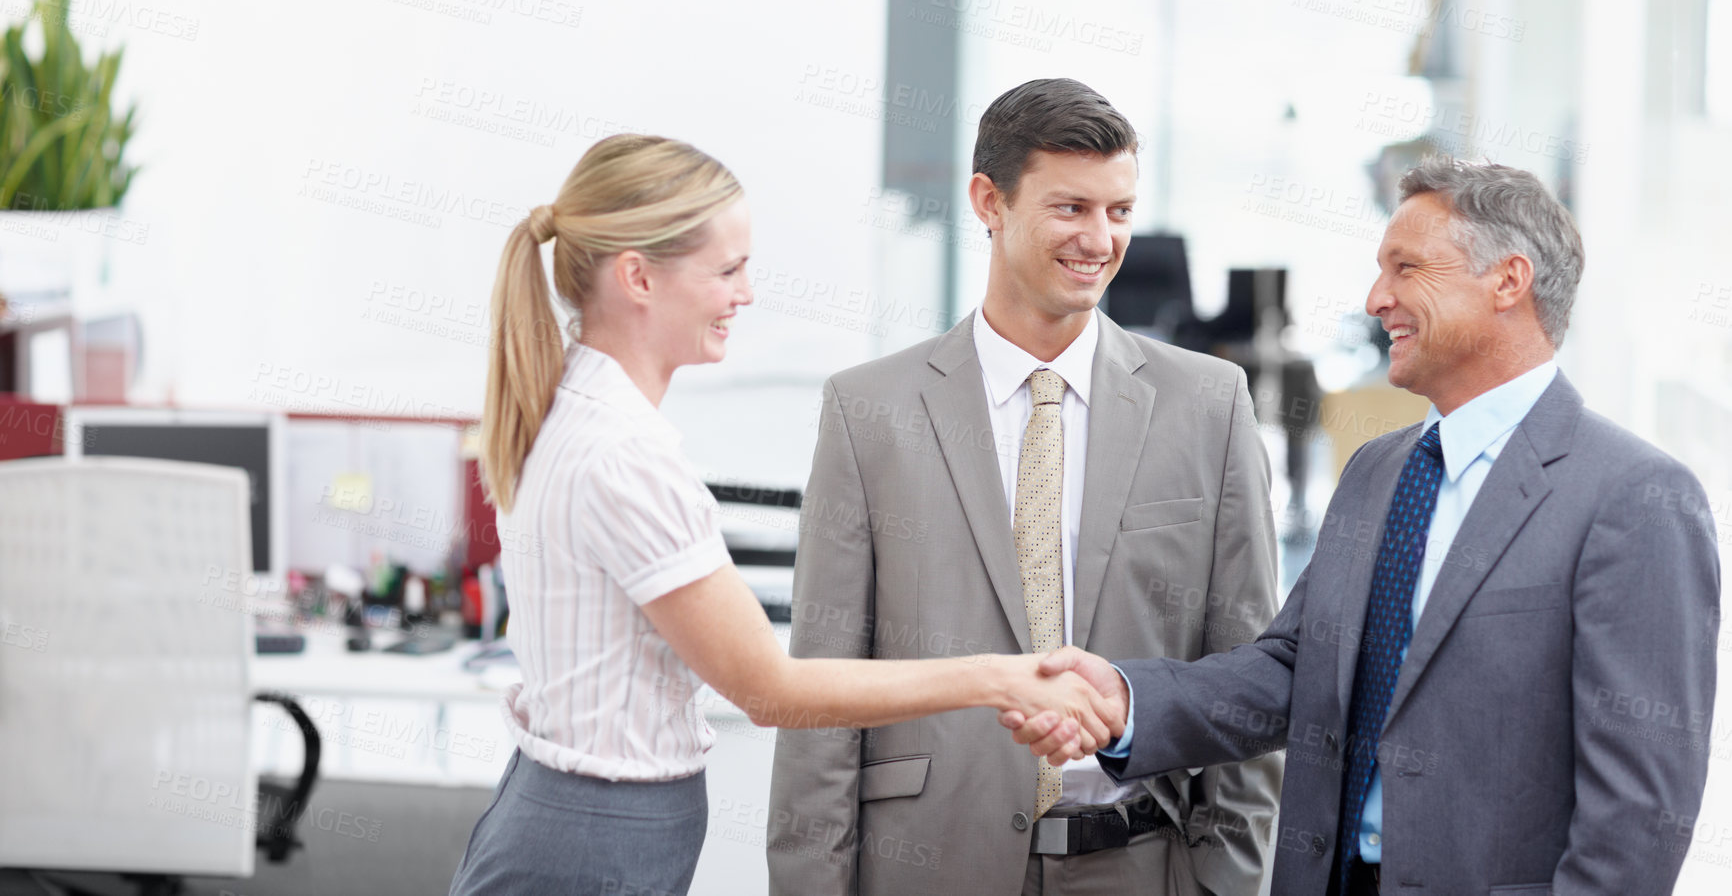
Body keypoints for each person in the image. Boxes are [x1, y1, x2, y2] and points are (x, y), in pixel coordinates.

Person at [1005, 157, 1721, 896]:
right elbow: (1294, 670)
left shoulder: (1636, 500)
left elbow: (1638, 820)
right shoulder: (1378, 472)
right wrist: (1127, 702)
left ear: (1508, 281)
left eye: (1405, 268)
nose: (1377, 299)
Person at [446, 134, 1118, 896]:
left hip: (574, 821)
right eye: (728, 270)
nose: (747, 294)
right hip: (592, 843)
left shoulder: (576, 408)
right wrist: (1000, 677)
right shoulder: (623, 455)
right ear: (637, 277)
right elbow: (768, 690)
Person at [769, 79, 1283, 896]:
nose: (1100, 239)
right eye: (1071, 207)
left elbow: (1247, 674)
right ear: (988, 201)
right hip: (929, 864)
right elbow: (825, 695)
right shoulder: (870, 410)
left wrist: (1226, 881)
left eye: (1119, 210)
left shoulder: (1208, 404)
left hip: (1145, 866)